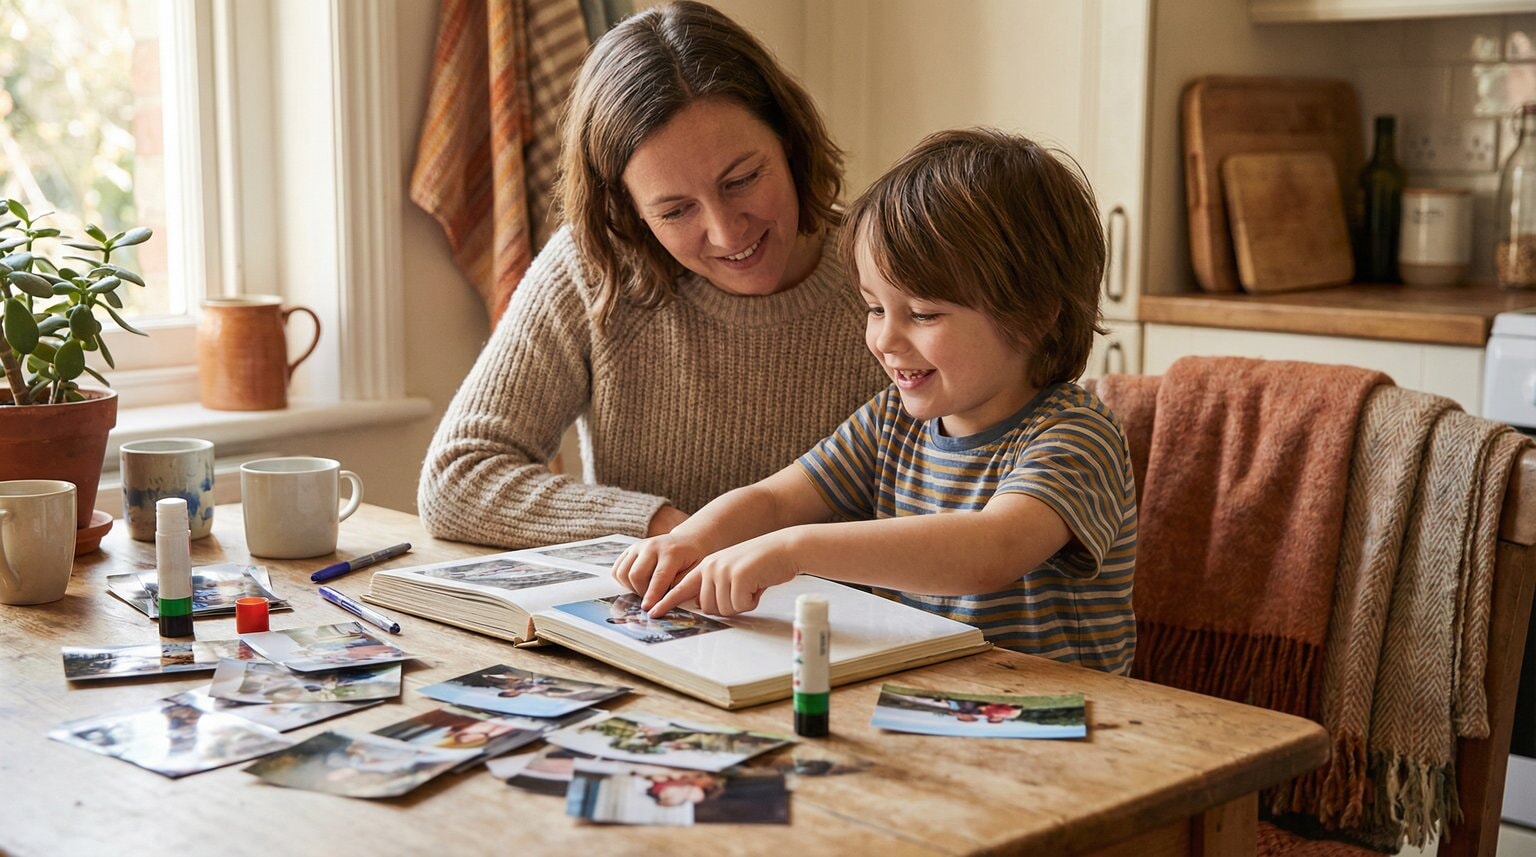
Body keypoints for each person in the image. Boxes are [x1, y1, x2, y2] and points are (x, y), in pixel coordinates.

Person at [615, 128, 1137, 675]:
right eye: (875, 308)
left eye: (924, 314)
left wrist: (794, 549)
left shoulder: (1077, 435)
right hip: (921, 698)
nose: (886, 340)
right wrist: (688, 539)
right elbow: (774, 500)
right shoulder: (891, 418)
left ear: (1034, 315)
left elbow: (991, 550)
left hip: (1062, 721)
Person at [416, 0, 886, 549]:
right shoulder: (597, 268)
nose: (727, 233)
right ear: (627, 208)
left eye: (742, 180)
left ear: (789, 140)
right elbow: (458, 476)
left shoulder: (890, 271)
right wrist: (670, 531)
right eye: (675, 211)